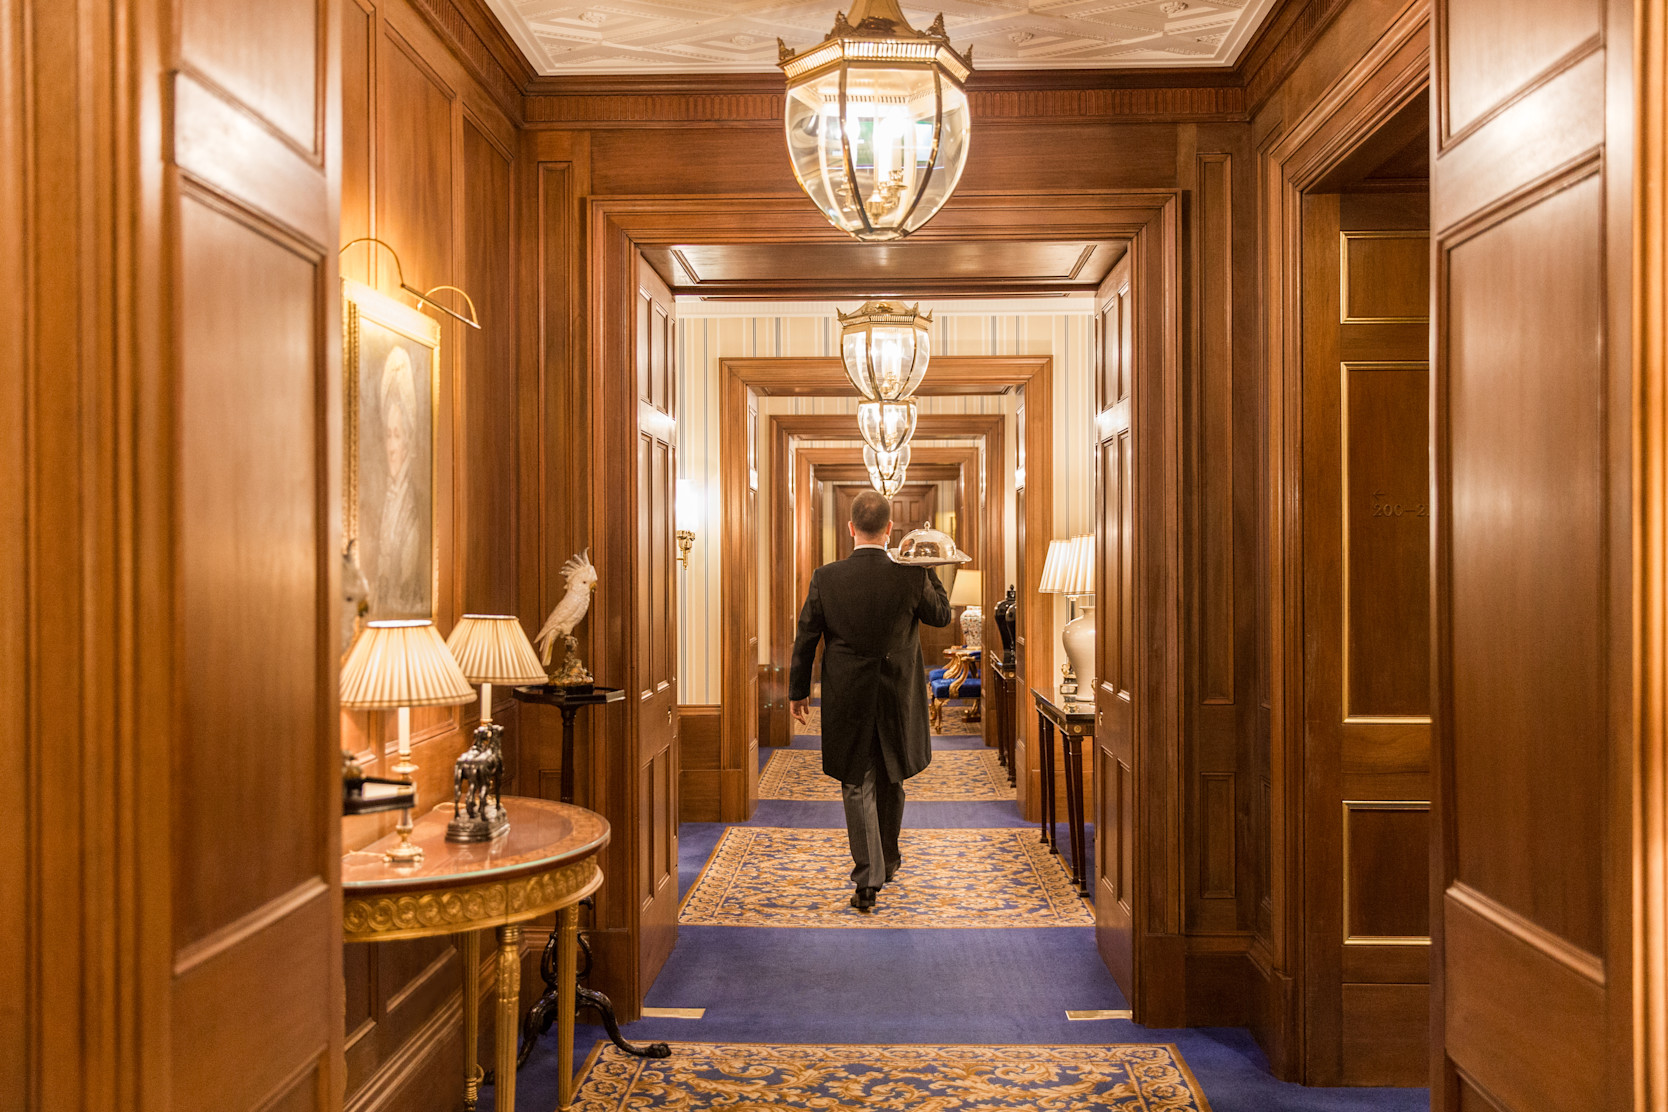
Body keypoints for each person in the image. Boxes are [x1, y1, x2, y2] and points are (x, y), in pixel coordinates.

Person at [788, 489, 952, 913]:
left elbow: (806, 637)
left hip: (848, 695)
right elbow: (942, 616)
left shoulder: (826, 576)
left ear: (850, 528)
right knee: (892, 777)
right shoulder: (910, 574)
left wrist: (798, 691)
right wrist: (926, 567)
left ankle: (870, 874)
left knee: (857, 782)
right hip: (898, 695)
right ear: (890, 529)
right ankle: (883, 865)